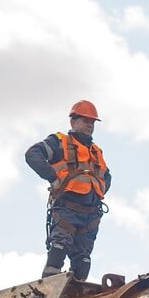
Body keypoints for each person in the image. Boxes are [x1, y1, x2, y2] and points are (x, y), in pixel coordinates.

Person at [25, 100, 111, 281]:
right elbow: (33, 154)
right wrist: (52, 177)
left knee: (83, 261)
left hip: (90, 216)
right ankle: (47, 291)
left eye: (92, 122)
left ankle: (75, 297)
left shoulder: (96, 151)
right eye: (85, 120)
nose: (89, 125)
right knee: (58, 250)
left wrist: (97, 194)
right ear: (73, 122)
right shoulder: (59, 142)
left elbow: (107, 177)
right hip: (66, 210)